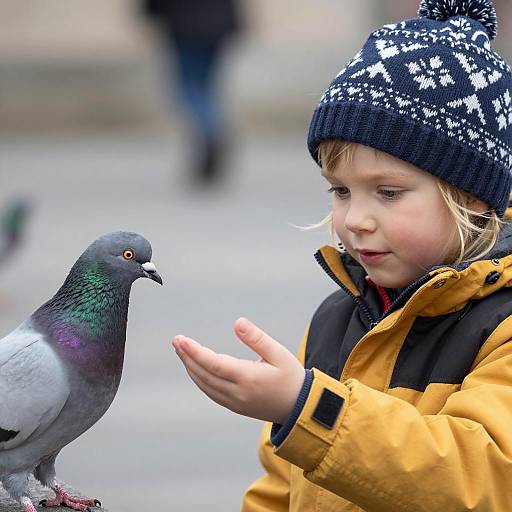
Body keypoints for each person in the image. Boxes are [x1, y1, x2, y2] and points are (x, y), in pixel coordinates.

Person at [172, 0, 512, 509]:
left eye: (388, 192)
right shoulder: (336, 320)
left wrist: (307, 409)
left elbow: (480, 475)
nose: (355, 219)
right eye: (340, 190)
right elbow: (278, 488)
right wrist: (296, 411)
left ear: (472, 197)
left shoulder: (500, 324)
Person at [142, 0, 242, 184]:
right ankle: (212, 130)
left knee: (189, 86)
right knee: (206, 84)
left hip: (183, 26)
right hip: (218, 25)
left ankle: (209, 132)